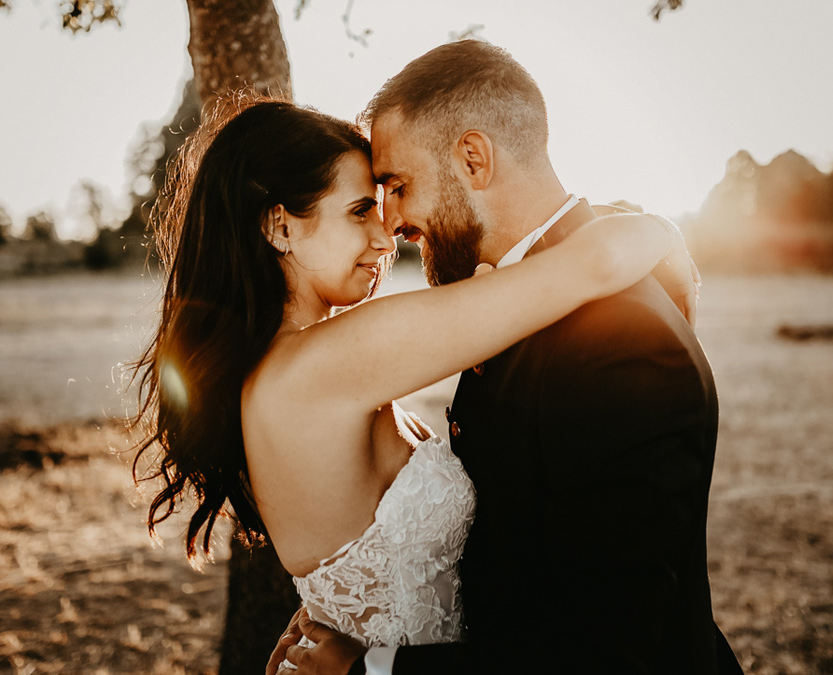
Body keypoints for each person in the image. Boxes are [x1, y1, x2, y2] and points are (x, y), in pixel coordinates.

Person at [128, 96, 699, 669]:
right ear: (281, 226)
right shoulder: (325, 364)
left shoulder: (291, 369)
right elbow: (591, 266)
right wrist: (665, 231)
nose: (385, 237)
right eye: (358, 212)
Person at [268, 41, 743, 675]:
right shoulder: (512, 304)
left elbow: (603, 651)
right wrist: (357, 605)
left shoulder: (621, 346)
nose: (395, 224)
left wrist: (371, 668)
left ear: (472, 158)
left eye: (398, 186)